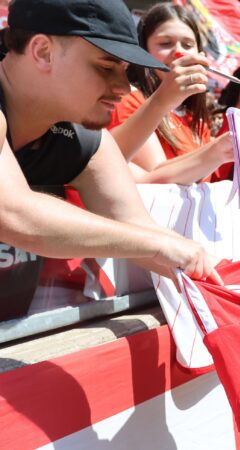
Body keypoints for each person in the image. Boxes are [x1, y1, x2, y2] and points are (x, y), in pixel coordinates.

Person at [0, 0, 221, 304]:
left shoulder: (87, 139)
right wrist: (155, 244)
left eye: (126, 71)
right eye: (106, 67)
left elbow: (138, 226)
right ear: (42, 52)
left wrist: (219, 277)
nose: (124, 87)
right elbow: (14, 215)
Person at [109, 3, 240, 185]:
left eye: (188, 45)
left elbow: (209, 178)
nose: (179, 53)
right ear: (144, 50)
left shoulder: (195, 114)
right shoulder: (130, 99)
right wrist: (216, 150)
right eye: (165, 43)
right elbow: (154, 179)